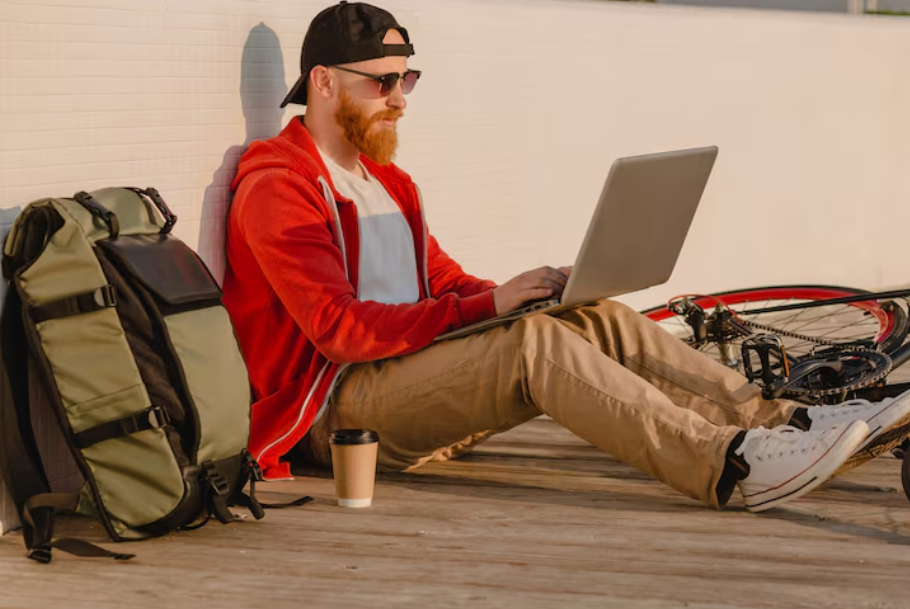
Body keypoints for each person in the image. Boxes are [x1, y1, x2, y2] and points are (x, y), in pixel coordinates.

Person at [222, 1, 910, 512]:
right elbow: (339, 330)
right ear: (323, 82)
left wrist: (527, 293)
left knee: (590, 316)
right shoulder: (280, 184)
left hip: (407, 385)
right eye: (382, 83)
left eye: (409, 79)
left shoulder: (388, 182)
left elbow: (441, 282)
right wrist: (491, 310)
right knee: (534, 346)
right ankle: (730, 466)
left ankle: (782, 423)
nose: (400, 100)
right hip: (336, 414)